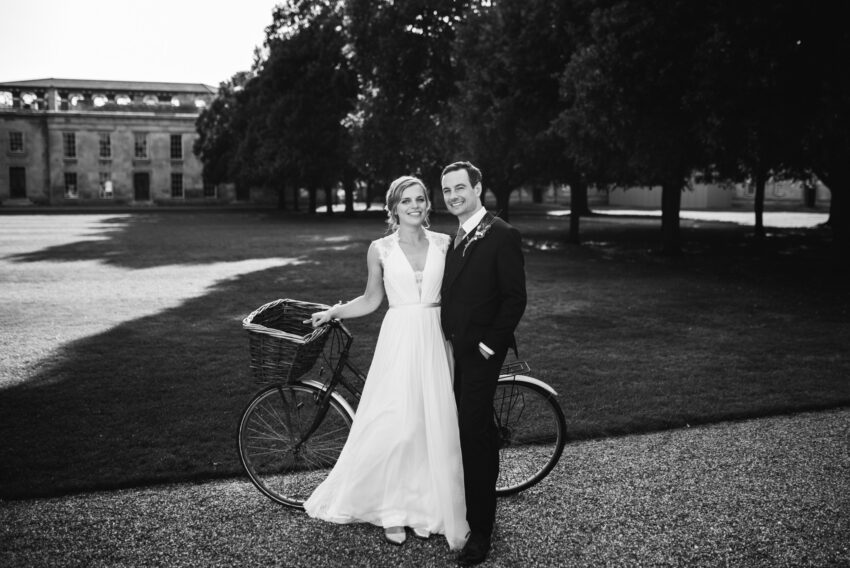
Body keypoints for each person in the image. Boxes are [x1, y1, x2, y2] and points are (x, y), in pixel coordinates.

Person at [303, 176, 469, 551]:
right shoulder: (379, 249)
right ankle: (393, 511)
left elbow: (462, 296)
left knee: (431, 426)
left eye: (421, 199)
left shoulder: (446, 243)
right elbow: (371, 299)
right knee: (399, 425)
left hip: (435, 339)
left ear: (428, 204)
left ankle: (425, 509)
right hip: (398, 341)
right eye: (406, 200)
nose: (415, 205)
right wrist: (334, 312)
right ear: (393, 208)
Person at [440, 161, 527, 566]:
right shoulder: (456, 236)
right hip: (454, 351)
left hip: (480, 354)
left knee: (472, 435)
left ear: (478, 187)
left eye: (460, 187)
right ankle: (470, 503)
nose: (453, 195)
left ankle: (482, 531)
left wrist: (490, 346)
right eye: (447, 190)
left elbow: (515, 298)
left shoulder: (502, 234)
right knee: (473, 429)